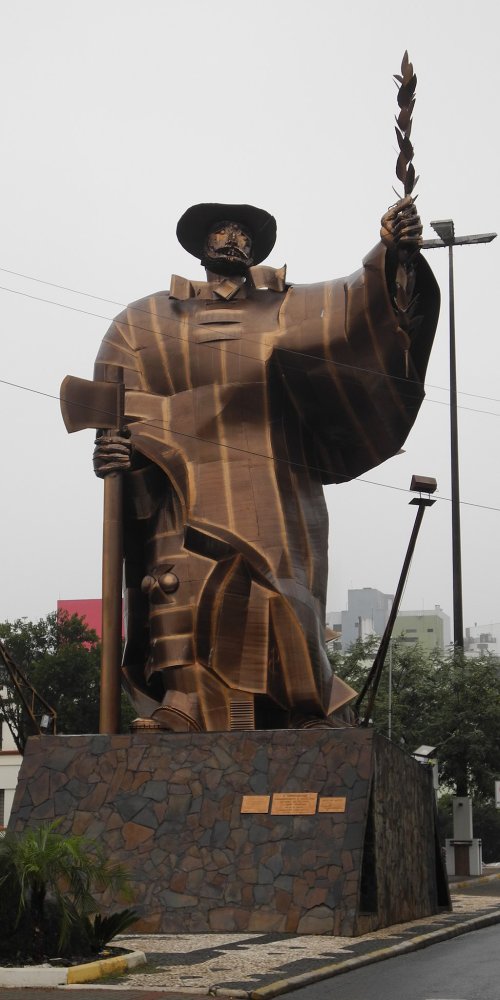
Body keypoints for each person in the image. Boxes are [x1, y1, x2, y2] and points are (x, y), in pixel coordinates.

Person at [93, 199, 439, 733]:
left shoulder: (291, 305)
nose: (232, 239)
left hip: (278, 479)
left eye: (241, 233)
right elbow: (117, 404)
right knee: (174, 580)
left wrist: (392, 254)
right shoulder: (145, 320)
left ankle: (300, 704)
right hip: (183, 482)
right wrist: (120, 455)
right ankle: (184, 698)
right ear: (201, 244)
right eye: (222, 232)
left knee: (281, 591)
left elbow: (357, 306)